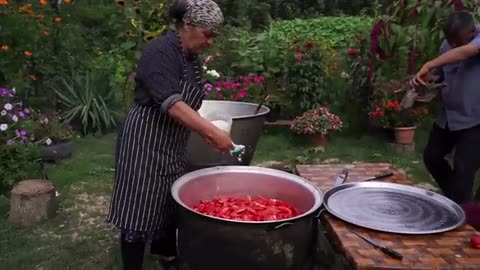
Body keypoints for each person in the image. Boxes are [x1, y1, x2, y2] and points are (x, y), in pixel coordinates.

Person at [106, 0, 233, 269]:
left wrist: (204, 131)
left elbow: (189, 105)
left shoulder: (192, 60)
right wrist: (211, 130)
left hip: (172, 140)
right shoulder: (160, 50)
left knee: (168, 199)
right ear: (187, 26)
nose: (210, 42)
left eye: (214, 36)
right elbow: (172, 102)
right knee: (137, 205)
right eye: (207, 34)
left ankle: (167, 255)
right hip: (145, 137)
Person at [411, 10, 480, 228]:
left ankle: (462, 223)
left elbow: (467, 52)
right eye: (449, 41)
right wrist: (426, 82)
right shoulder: (446, 46)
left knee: (464, 172)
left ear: (471, 32)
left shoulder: (478, 40)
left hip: (475, 120)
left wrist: (429, 64)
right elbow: (442, 74)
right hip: (449, 117)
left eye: (456, 41)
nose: (452, 46)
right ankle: (462, 205)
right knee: (432, 157)